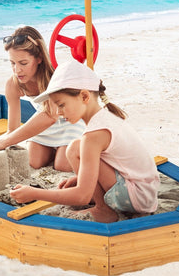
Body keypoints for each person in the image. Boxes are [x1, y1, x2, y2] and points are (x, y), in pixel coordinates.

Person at [10, 60, 159, 223]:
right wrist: (80, 178)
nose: (59, 112)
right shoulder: (104, 118)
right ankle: (102, 203)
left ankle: (103, 210)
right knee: (76, 148)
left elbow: (82, 196)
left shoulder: (94, 135)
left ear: (84, 96)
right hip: (145, 192)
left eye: (61, 105)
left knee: (75, 149)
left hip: (136, 196)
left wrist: (33, 193)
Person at [0, 26, 85, 172]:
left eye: (23, 63)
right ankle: (58, 150)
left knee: (62, 166)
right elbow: (12, 130)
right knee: (33, 162)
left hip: (70, 123)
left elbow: (50, 115)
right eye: (12, 63)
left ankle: (65, 150)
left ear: (39, 58)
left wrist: (4, 142)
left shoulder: (54, 76)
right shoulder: (13, 84)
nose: (17, 70)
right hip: (46, 127)